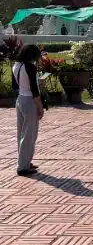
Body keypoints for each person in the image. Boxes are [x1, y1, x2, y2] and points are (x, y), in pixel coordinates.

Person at [12, 44, 43, 176]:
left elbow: (15, 85)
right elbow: (34, 90)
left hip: (20, 99)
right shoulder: (30, 67)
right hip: (30, 100)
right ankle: (23, 166)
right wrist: (40, 107)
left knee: (21, 133)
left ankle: (24, 161)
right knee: (29, 135)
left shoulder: (16, 65)